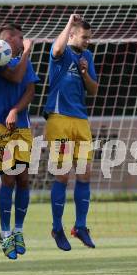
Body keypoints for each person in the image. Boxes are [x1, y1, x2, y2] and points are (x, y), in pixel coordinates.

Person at [44, 14, 98, 251]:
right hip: (59, 118)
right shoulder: (61, 52)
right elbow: (56, 47)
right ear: (73, 34)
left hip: (80, 119)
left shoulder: (87, 56)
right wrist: (68, 22)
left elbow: (94, 90)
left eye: (89, 37)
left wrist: (86, 73)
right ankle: (57, 227)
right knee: (63, 175)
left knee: (85, 173)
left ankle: (81, 226)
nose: (87, 41)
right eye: (84, 37)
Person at [0, 24, 39, 259]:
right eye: (21, 38)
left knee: (24, 179)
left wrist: (16, 110)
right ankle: (5, 232)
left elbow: (30, 90)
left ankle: (18, 230)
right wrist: (27, 52)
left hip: (22, 126)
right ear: (8, 40)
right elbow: (16, 76)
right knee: (8, 179)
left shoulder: (24, 61)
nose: (24, 40)